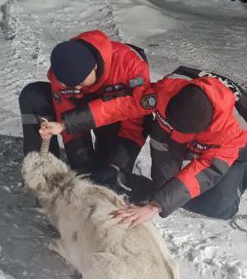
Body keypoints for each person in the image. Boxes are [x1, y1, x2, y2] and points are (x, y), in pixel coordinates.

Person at [40, 66, 247, 226]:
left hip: (235, 151)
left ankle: (243, 172)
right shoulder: (167, 90)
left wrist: (155, 207)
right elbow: (121, 106)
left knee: (217, 207)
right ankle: (164, 187)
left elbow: (204, 170)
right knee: (163, 187)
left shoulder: (233, 131)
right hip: (173, 128)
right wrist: (66, 123)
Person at [19, 29, 150, 189]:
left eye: (80, 83)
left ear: (94, 67)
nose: (77, 88)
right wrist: (81, 162)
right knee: (33, 95)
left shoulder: (130, 67)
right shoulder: (62, 74)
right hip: (79, 118)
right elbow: (66, 117)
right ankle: (43, 179)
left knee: (109, 181)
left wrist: (117, 165)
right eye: (71, 86)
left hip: (118, 120)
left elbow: (136, 124)